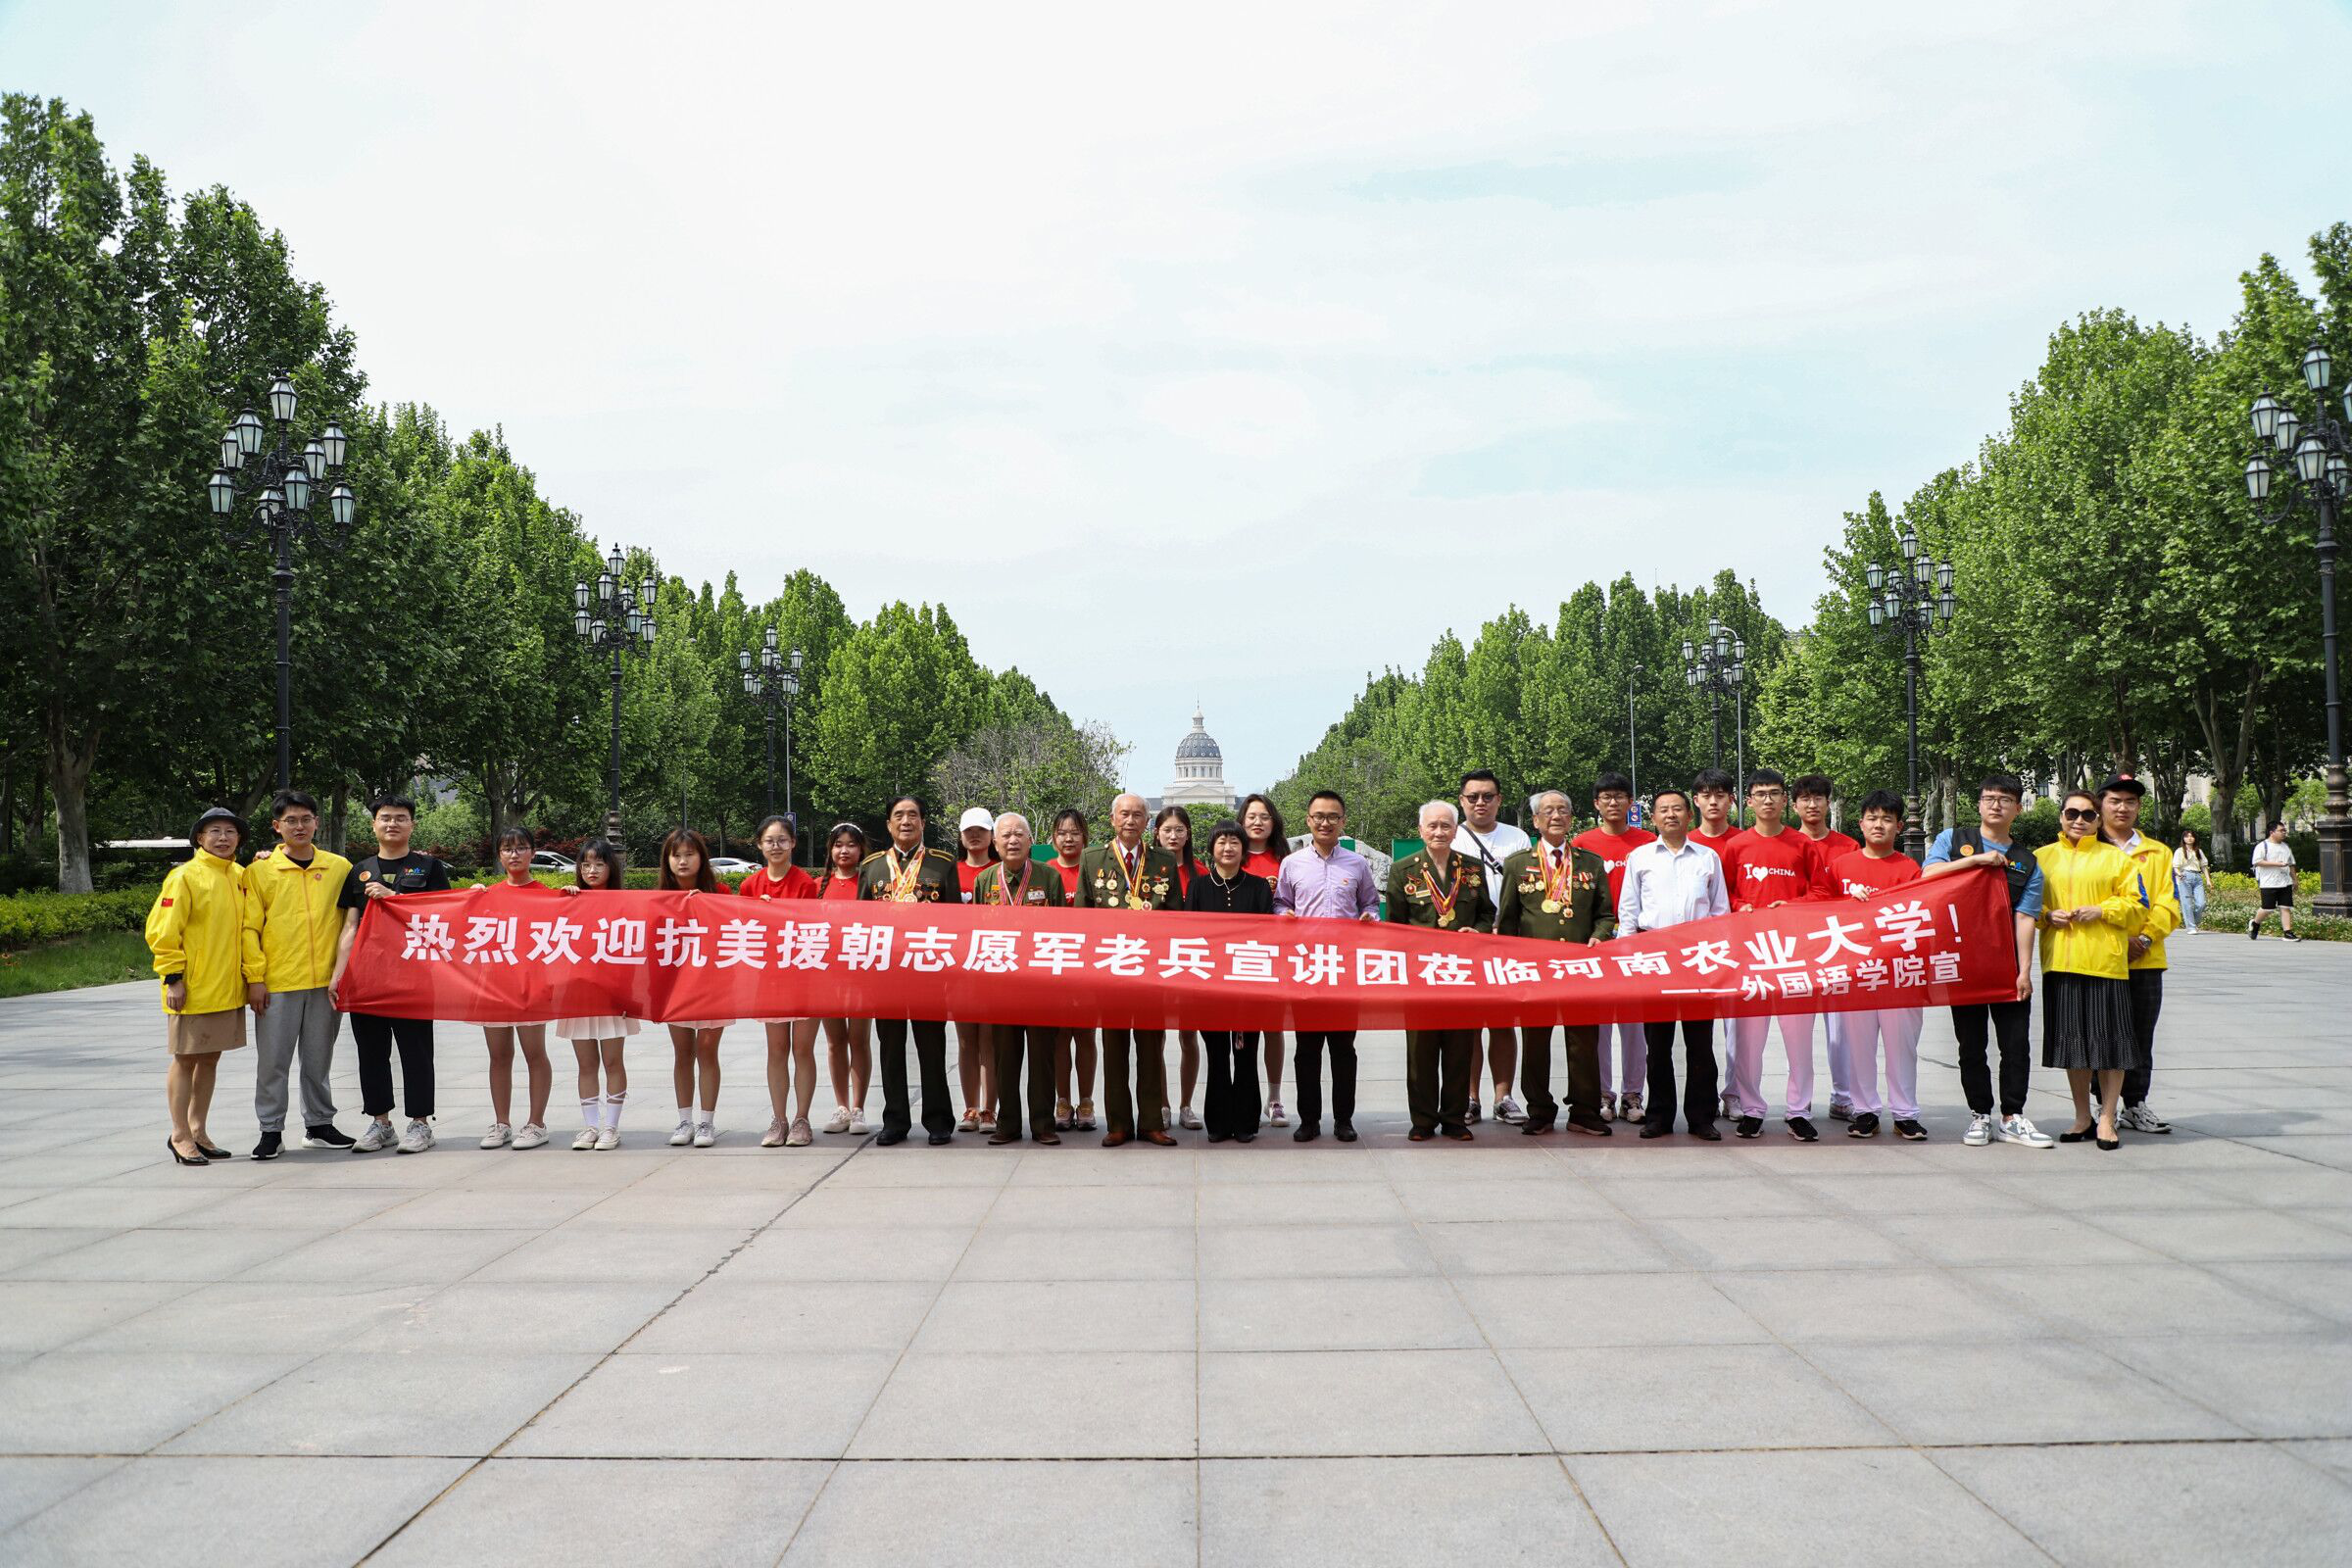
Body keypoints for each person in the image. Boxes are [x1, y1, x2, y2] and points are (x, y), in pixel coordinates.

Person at [1924, 774, 2053, 1150]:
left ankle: (2013, 1116)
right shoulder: (1953, 840)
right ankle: (1980, 1114)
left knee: (2015, 1044)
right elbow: (1928, 874)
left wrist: (2024, 970)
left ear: (2018, 808)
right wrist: (1978, 860)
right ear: (1979, 804)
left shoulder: (2027, 862)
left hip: (2005, 965)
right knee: (1971, 1044)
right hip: (1963, 962)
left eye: (2005, 799)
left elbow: (2025, 918)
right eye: (1989, 798)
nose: (1996, 805)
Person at [327, 796, 452, 1154]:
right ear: (374, 825)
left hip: (413, 976)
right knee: (371, 1052)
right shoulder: (359, 870)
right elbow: (350, 926)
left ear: (412, 825)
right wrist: (339, 974)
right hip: (367, 976)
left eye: (400, 818)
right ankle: (380, 1123)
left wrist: (393, 897)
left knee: (416, 1051)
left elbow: (441, 918)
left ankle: (420, 1123)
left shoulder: (429, 868)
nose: (392, 824)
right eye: (385, 818)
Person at [239, 789, 354, 1158]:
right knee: (273, 1062)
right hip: (278, 983)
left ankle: (319, 1124)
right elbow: (249, 929)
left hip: (325, 983)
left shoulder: (339, 868)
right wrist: (255, 979)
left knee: (319, 1060)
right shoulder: (259, 872)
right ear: (277, 826)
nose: (299, 826)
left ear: (317, 823)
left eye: (306, 819)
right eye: (291, 821)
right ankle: (270, 1130)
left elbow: (353, 922)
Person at [1496, 790, 1617, 1139]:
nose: (1556, 816)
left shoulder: (1590, 863)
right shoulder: (1517, 864)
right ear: (1535, 820)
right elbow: (1508, 920)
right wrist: (1510, 966)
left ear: (1571, 818)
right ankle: (1539, 1110)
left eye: (1563, 810)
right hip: (1535, 970)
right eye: (1548, 811)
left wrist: (1599, 936)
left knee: (1584, 1041)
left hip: (1580, 967)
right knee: (1536, 1042)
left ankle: (1585, 1111)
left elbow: (1605, 914)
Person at [2034, 790, 2148, 1150]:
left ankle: (2107, 1117)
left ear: (2099, 820)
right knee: (2074, 1047)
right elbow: (2025, 907)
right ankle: (2082, 1115)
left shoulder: (2116, 859)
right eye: (2072, 813)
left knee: (2111, 1046)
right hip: (2061, 963)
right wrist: (2046, 916)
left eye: (2087, 815)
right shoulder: (2042, 858)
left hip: (2104, 964)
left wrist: (2103, 911)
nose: (2079, 821)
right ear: (2061, 817)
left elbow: (2138, 906)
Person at [1813, 791, 1926, 1140]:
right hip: (1855, 973)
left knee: (1901, 1048)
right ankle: (1865, 1112)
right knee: (1858, 1048)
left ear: (1899, 826)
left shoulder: (1910, 869)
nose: (1879, 825)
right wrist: (1847, 904)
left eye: (1887, 819)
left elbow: (1920, 915)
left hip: (1898, 974)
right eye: (1872, 818)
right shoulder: (1841, 866)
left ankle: (1905, 1113)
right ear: (1860, 823)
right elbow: (1818, 908)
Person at [1617, 786, 1728, 1140]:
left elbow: (1720, 911)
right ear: (1653, 818)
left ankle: (1702, 1117)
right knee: (1657, 1044)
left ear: (1689, 815)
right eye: (1663, 809)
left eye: (1677, 809)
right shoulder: (1640, 857)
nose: (1670, 815)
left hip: (1698, 957)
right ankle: (1659, 1116)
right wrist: (1629, 957)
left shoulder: (1707, 857)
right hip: (1655, 957)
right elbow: (1629, 911)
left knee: (1700, 1043)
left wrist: (1718, 958)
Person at [1273, 789, 1382, 1142]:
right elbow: (1280, 903)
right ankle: (1309, 1120)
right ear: (1308, 820)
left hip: (1343, 969)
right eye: (1318, 816)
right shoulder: (1292, 864)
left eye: (1332, 816)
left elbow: (1371, 905)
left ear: (1342, 821)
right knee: (1306, 1049)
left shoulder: (1357, 864)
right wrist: (1284, 914)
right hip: (1306, 968)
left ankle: (1344, 1120)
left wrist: (1369, 917)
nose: (1325, 822)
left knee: (1343, 1049)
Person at [1077, 792, 1186, 1148]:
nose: (1130, 820)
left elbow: (1176, 916)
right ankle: (1119, 1124)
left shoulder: (1163, 860)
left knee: (1151, 1048)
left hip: (1152, 970)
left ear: (1147, 822)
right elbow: (1081, 917)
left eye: (1138, 815)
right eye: (1124, 814)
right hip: (1111, 969)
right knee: (1114, 1048)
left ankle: (1152, 1122)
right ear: (1113, 819)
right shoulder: (1093, 858)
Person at [1386, 800, 1496, 1142]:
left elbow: (1486, 912)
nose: (1439, 832)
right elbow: (1395, 925)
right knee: (1420, 1051)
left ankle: (1454, 1119)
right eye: (1432, 826)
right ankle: (1422, 1120)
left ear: (1455, 830)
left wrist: (1478, 931)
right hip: (1421, 975)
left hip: (1461, 974)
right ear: (1421, 830)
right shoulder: (1403, 870)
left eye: (1445, 826)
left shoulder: (1472, 868)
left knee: (1460, 1048)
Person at [1721, 769, 1823, 1141]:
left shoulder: (1802, 844)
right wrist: (1740, 906)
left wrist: (1793, 906)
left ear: (1785, 801)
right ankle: (1751, 1109)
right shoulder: (1736, 846)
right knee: (1748, 1041)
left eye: (1775, 793)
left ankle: (1798, 1110)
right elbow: (1724, 895)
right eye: (1760, 794)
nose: (1768, 800)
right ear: (1748, 801)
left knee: (1799, 1040)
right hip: (1750, 955)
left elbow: (1821, 893)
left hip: (1795, 956)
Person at [148, 808, 250, 1165]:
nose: (223, 838)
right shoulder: (184, 877)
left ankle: (198, 1130)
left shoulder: (240, 875)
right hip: (191, 988)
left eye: (230, 832)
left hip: (226, 987)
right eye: (214, 831)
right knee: (185, 1058)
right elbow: (162, 931)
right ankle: (179, 1135)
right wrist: (172, 978)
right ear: (200, 838)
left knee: (210, 1058)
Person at [859, 796, 961, 1146]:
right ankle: (895, 1121)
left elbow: (955, 923)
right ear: (888, 824)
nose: (906, 821)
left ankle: (939, 1120)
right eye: (899, 816)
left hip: (928, 972)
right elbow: (860, 922)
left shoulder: (942, 864)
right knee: (890, 1048)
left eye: (913, 815)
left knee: (932, 1047)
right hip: (886, 974)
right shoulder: (872, 866)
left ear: (923, 822)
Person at [2096, 775, 2182, 1135]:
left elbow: (2168, 902)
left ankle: (2135, 1103)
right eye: (2115, 801)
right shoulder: (2088, 848)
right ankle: (2103, 1106)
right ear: (2101, 805)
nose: (2122, 808)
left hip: (2145, 959)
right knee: (2101, 1033)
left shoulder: (2158, 852)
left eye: (2130, 801)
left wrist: (2145, 939)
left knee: (2141, 1034)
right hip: (2100, 958)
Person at [975, 811, 1063, 1146]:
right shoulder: (985, 880)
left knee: (1042, 1058)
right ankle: (1008, 1124)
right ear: (995, 843)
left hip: (1040, 984)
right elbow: (975, 931)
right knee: (1005, 1058)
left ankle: (1043, 1124)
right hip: (1001, 985)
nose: (1012, 840)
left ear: (1030, 841)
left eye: (1019, 834)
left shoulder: (1048, 876)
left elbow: (1064, 931)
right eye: (1006, 835)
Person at [1572, 772, 1653, 1124]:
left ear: (1630, 802)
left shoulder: (1648, 842)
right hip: (1597, 942)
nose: (1613, 802)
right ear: (1596, 804)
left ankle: (1633, 1094)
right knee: (1599, 1025)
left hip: (1638, 942)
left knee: (1634, 1025)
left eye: (1620, 796)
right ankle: (1603, 1093)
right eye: (1606, 797)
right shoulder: (1582, 844)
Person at [1454, 769, 1533, 1124]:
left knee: (1503, 1022)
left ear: (1499, 800)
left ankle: (1504, 1098)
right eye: (1473, 797)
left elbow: (1529, 888)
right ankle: (1469, 1098)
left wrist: (1509, 927)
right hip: (1465, 942)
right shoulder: (1452, 836)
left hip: (1507, 941)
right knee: (1468, 1024)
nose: (1480, 803)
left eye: (1488, 796)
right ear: (1462, 801)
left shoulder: (1517, 838)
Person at [1188, 819, 1274, 1142]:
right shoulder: (1198, 887)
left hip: (1248, 986)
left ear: (1244, 849)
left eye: (1234, 842)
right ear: (1211, 848)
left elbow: (1267, 936)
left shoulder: (1258, 887)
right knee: (1217, 1056)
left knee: (1246, 1055)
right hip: (1209, 988)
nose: (1228, 848)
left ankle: (1246, 1123)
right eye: (1221, 842)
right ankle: (1218, 1124)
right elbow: (1188, 935)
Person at [741, 815, 820, 1147]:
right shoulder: (750, 886)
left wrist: (779, 912)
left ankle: (802, 1119)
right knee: (776, 1050)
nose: (776, 846)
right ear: (759, 845)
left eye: (782, 840)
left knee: (802, 1049)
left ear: (793, 844)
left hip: (804, 975)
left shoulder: (805, 883)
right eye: (769, 841)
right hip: (770, 978)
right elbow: (743, 930)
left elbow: (812, 926)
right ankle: (779, 1119)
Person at [554, 840, 637, 1150]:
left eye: (599, 864)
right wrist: (564, 900)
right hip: (577, 993)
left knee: (613, 1061)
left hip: (612, 994)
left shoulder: (623, 902)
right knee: (586, 1063)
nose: (592, 870)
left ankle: (611, 1127)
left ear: (610, 867)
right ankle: (590, 1126)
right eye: (586, 864)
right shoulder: (570, 900)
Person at [477, 828, 555, 1151]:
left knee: (534, 1054)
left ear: (533, 853)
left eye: (521, 848)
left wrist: (575, 895)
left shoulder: (547, 896)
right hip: (494, 985)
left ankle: (536, 1123)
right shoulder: (486, 895)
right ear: (499, 855)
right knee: (499, 1056)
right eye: (508, 849)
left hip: (531, 985)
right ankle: (502, 1123)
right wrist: (469, 898)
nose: (515, 854)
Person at [658, 828, 735, 1148]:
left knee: (707, 1051)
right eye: (676, 855)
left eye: (689, 854)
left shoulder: (721, 894)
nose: (683, 861)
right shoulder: (659, 899)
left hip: (713, 986)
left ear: (702, 858)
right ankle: (684, 1120)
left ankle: (706, 1122)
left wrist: (706, 905)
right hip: (675, 988)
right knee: (682, 1053)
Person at [1790, 774, 1861, 1120]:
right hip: (1797, 949)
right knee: (1797, 1033)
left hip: (1838, 948)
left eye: (1818, 798)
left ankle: (1842, 1097)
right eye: (1805, 799)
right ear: (1794, 806)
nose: (1812, 804)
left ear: (1828, 803)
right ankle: (1799, 1102)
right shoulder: (1787, 845)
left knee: (1840, 1032)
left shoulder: (1848, 847)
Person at [1688, 766, 1742, 1119]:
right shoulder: (1686, 843)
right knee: (1698, 1032)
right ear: (1695, 800)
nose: (1713, 802)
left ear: (1731, 800)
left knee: (1737, 1027)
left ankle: (1734, 1093)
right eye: (1706, 795)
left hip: (1738, 945)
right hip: (1695, 951)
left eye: (1720, 795)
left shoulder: (1744, 841)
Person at [813, 822, 874, 1134]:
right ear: (830, 850)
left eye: (851, 844)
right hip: (828, 975)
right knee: (835, 1042)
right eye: (838, 845)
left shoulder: (870, 883)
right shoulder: (817, 886)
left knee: (859, 1040)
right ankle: (842, 1107)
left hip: (862, 973)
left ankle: (859, 1108)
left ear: (861, 849)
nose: (844, 850)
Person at [1239, 792, 1293, 1127]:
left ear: (1274, 822)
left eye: (1264, 817)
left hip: (1278, 953)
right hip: (1241, 954)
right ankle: (1244, 1097)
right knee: (1242, 1031)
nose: (1257, 822)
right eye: (1251, 816)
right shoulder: (1232, 854)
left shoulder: (1287, 861)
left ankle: (1274, 1098)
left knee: (1274, 1027)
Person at [1153, 805, 1207, 1129]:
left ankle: (1186, 1105)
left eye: (1179, 830)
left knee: (1189, 1037)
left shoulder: (1200, 871)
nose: (1173, 836)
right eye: (1167, 830)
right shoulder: (1147, 869)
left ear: (1188, 835)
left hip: (1190, 962)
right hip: (1156, 962)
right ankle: (1162, 1104)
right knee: (1156, 1040)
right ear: (1156, 833)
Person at [951, 806, 1003, 1135]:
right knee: (966, 1041)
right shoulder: (950, 872)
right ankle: (970, 1107)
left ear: (992, 836)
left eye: (981, 831)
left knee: (989, 1041)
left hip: (994, 964)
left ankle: (989, 1109)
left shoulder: (1002, 871)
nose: (974, 836)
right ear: (961, 836)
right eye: (969, 831)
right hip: (960, 968)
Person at [1047, 808, 1100, 1130]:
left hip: (1087, 966)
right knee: (1059, 1037)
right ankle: (1063, 1101)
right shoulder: (1045, 871)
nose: (1068, 838)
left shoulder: (1095, 870)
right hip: (1055, 965)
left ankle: (1087, 1102)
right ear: (1053, 838)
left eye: (1075, 833)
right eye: (1062, 833)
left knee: (1085, 1035)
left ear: (1085, 837)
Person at [2250, 821, 2300, 941]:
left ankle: (2288, 932)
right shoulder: (2262, 846)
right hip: (2268, 882)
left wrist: (2295, 879)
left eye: (2285, 830)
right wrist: (2277, 864)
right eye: (2281, 830)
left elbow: (2291, 864)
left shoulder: (2286, 846)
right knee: (2267, 908)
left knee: (2285, 907)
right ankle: (2255, 923)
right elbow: (2257, 861)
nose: (2284, 833)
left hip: (2285, 882)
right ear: (2272, 832)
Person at [2172, 829, 2210, 935]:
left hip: (2197, 877)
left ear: (2195, 838)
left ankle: (2193, 922)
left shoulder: (2198, 851)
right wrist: (2179, 874)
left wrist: (2208, 880)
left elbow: (2204, 866)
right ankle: (2191, 927)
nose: (2189, 838)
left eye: (2191, 836)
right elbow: (2175, 866)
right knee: (2187, 904)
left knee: (2201, 903)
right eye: (2187, 836)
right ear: (2183, 838)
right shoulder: (2179, 851)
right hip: (2184, 877)